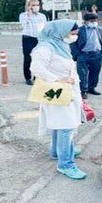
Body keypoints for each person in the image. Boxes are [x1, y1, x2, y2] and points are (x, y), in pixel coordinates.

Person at [29, 20, 86, 180]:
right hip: (56, 91)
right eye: (72, 33)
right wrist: (58, 79)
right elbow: (36, 69)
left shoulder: (60, 44)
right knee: (66, 127)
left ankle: (57, 151)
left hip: (67, 91)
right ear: (60, 31)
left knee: (59, 125)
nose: (74, 36)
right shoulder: (44, 48)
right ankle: (66, 164)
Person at [71, 13, 102, 98]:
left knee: (95, 73)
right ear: (86, 21)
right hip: (83, 55)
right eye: (91, 21)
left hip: (96, 55)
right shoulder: (80, 30)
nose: (94, 22)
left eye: (95, 20)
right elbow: (73, 43)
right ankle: (83, 91)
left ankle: (91, 88)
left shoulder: (99, 30)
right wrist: (77, 55)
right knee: (82, 74)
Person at [19, 0, 47, 85]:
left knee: (39, 58)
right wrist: (29, 14)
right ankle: (28, 77)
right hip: (28, 38)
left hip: (39, 39)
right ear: (29, 6)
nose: (36, 7)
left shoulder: (42, 16)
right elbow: (23, 25)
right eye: (33, 5)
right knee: (28, 58)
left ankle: (37, 76)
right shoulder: (23, 15)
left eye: (37, 5)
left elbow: (45, 28)